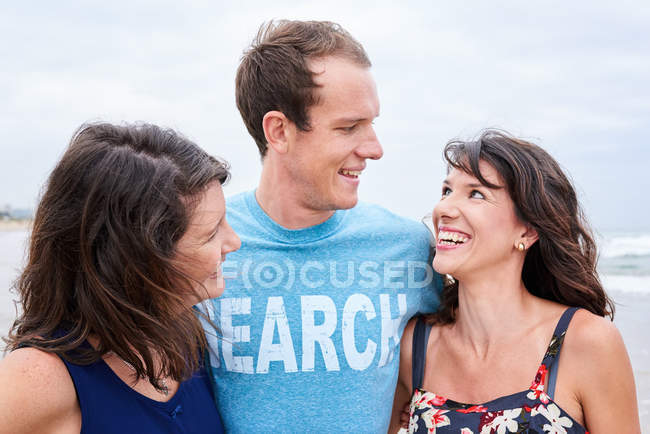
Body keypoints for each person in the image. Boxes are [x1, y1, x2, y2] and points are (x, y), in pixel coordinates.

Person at [200, 20, 442, 432]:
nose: (374, 148)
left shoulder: (409, 247)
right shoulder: (201, 248)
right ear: (279, 131)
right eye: (348, 127)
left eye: (372, 123)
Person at [389, 130, 641, 433]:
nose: (444, 209)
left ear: (527, 232)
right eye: (446, 191)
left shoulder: (586, 342)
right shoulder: (414, 347)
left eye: (476, 194)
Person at [0, 123, 241, 433]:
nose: (234, 242)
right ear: (137, 259)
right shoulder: (36, 381)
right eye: (211, 234)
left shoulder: (186, 334)